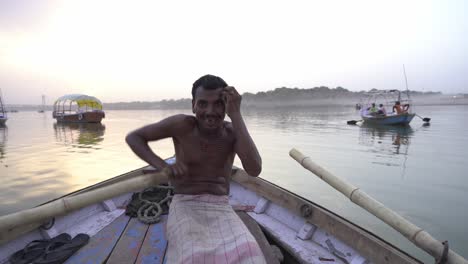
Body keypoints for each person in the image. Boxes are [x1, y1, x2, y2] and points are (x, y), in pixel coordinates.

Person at [126, 74, 266, 263]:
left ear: (226, 105)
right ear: (193, 105)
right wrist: (163, 167)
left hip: (221, 207)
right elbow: (134, 138)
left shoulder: (233, 131)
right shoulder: (182, 125)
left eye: (218, 104)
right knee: (192, 258)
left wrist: (236, 114)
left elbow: (254, 169)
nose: (210, 111)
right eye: (202, 104)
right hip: (185, 204)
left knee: (252, 257)